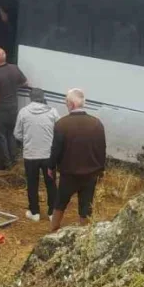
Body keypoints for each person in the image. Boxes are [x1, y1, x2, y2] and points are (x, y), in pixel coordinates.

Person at [50, 89, 106, 231]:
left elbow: (55, 150)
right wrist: (101, 170)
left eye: (66, 102)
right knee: (86, 206)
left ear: (71, 104)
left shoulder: (62, 124)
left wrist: (51, 167)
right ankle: (84, 236)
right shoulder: (97, 124)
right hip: (91, 173)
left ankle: (53, 229)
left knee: (60, 203)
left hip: (69, 173)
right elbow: (101, 149)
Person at [14, 88, 59, 222]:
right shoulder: (53, 112)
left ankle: (35, 212)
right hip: (49, 155)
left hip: (30, 154)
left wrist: (27, 140)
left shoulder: (23, 112)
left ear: (30, 98)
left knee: (32, 183)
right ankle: (52, 213)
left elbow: (17, 133)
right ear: (43, 97)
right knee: (51, 183)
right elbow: (60, 131)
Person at [0, 48, 27, 171]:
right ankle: (14, 159)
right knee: (11, 133)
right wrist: (14, 87)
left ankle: (6, 162)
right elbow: (25, 82)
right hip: (13, 107)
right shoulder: (14, 68)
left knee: (1, 136)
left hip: (1, 108)